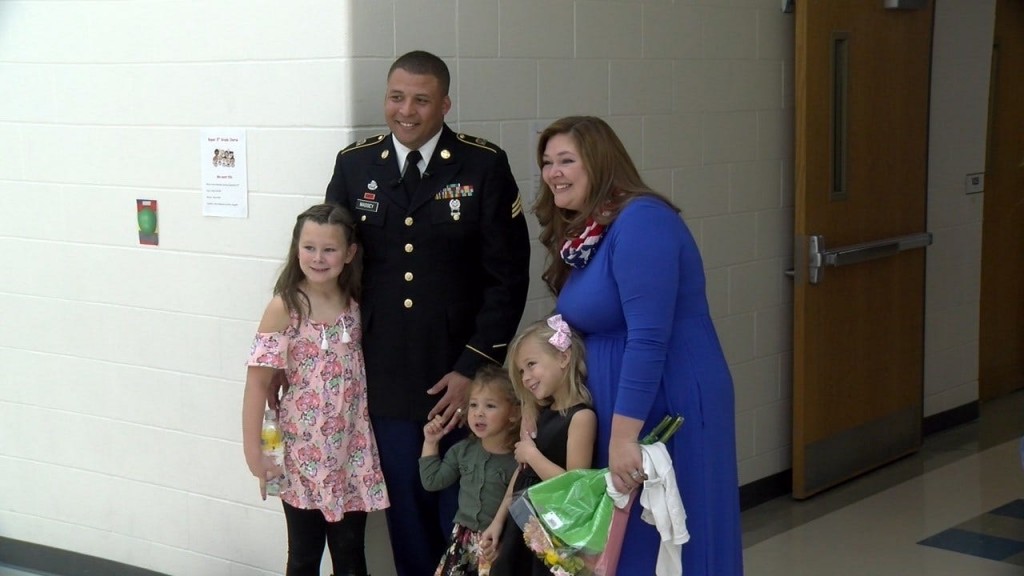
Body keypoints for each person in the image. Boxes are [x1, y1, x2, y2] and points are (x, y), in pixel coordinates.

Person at [323, 50, 532, 576]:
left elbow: (507, 278)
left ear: (445, 104)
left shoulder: (483, 165)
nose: (406, 111)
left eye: (421, 100)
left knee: (468, 516)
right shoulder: (355, 165)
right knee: (407, 520)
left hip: (460, 381)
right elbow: (331, 266)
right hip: (388, 378)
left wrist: (471, 369)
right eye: (397, 97)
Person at [532, 115, 744, 575]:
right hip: (624, 402)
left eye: (567, 160)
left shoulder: (643, 222)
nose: (553, 173)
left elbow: (649, 337)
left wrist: (624, 436)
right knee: (628, 544)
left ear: (601, 163)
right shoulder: (594, 229)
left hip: (666, 398)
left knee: (669, 536)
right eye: (547, 162)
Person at [242, 203, 389, 576]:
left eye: (329, 249)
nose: (319, 258)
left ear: (350, 252)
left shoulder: (357, 303)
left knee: (350, 553)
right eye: (309, 248)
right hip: (301, 452)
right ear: (296, 249)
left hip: (352, 450)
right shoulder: (285, 307)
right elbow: (257, 384)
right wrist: (253, 453)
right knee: (304, 555)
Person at [484, 315, 597, 576]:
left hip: (550, 532)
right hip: (522, 522)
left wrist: (532, 455)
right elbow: (521, 473)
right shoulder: (541, 413)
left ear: (563, 357)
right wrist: (498, 521)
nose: (525, 377)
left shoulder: (581, 418)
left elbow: (574, 485)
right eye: (521, 371)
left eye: (531, 365)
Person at [419, 364, 521, 576]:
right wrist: (430, 443)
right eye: (473, 405)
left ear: (514, 413)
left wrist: (508, 541)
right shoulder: (462, 451)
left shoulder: (519, 458)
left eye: (490, 406)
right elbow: (432, 481)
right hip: (462, 541)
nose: (478, 414)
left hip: (497, 543)